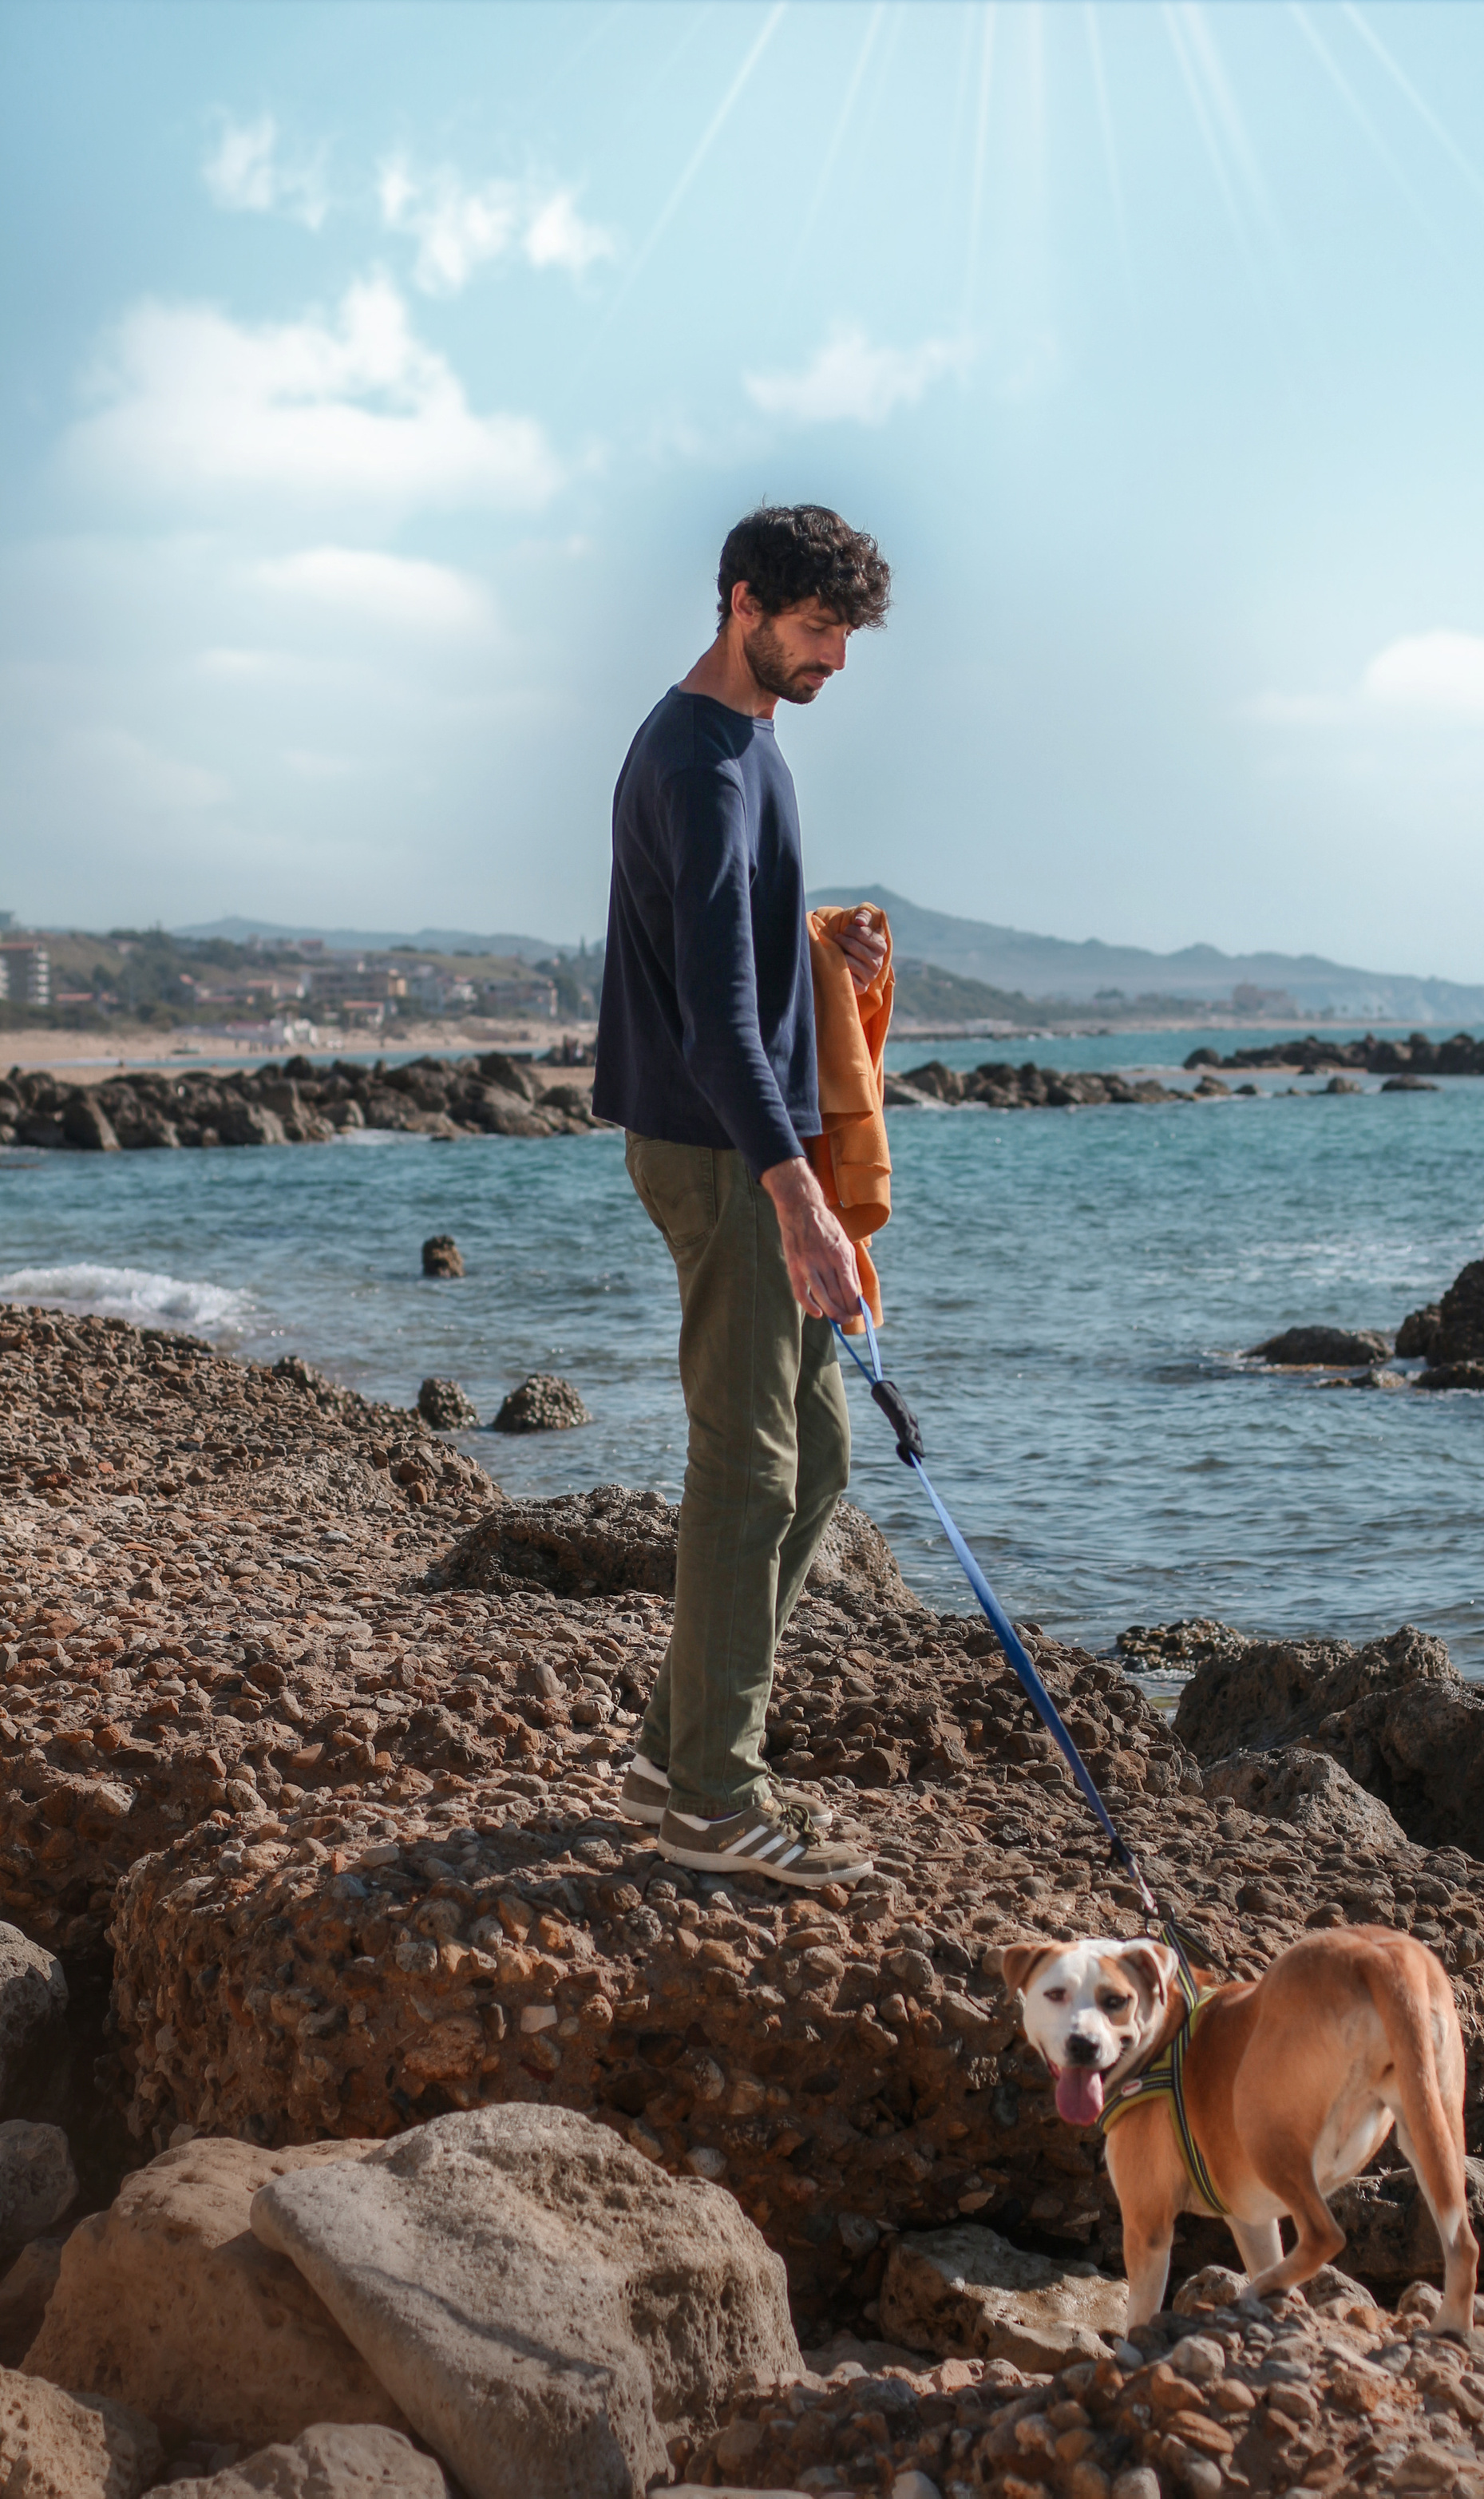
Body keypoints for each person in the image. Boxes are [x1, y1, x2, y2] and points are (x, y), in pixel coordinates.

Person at [594, 504, 892, 1887]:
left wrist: (827, 936)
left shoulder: (743, 743)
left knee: (817, 1459)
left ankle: (677, 1750)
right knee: (750, 1460)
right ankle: (714, 1794)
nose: (836, 655)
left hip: (735, 1141)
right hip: (724, 1154)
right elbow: (714, 1009)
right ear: (743, 603)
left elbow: (725, 934)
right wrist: (799, 1195)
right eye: (819, 627)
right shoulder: (704, 763)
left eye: (845, 634)